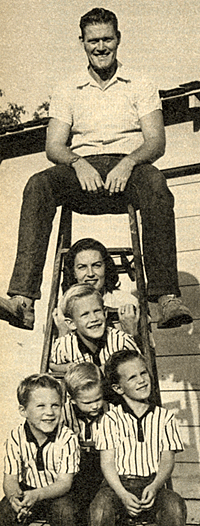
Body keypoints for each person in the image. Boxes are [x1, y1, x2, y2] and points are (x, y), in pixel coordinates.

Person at [0, 7, 192, 331]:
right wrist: (77, 162)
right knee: (37, 184)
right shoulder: (67, 88)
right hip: (81, 173)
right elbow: (54, 146)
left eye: (107, 39)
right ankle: (23, 300)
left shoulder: (140, 83)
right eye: (93, 41)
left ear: (118, 39)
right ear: (82, 42)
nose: (100, 47)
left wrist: (129, 161)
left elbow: (156, 142)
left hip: (129, 172)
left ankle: (166, 298)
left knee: (157, 184)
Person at [82, 350, 190, 526]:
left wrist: (154, 485)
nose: (142, 380)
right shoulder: (110, 419)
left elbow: (167, 459)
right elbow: (107, 463)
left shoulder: (164, 418)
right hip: (117, 485)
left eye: (144, 373)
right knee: (100, 507)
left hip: (152, 484)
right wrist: (121, 493)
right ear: (118, 388)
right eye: (132, 377)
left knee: (174, 503)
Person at [0, 373, 80, 526]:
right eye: (41, 406)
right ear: (23, 411)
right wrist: (15, 497)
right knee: (7, 508)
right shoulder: (15, 438)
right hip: (27, 493)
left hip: (57, 494)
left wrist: (36, 495)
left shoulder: (67, 438)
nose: (49, 412)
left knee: (65, 508)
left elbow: (65, 483)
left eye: (55, 405)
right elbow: (10, 479)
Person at [63, 362, 108, 526]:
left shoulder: (111, 412)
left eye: (98, 399)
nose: (94, 406)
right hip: (77, 466)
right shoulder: (64, 414)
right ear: (72, 400)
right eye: (87, 402)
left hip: (106, 465)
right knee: (79, 506)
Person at [53, 237, 140, 339]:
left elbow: (147, 353)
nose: (90, 274)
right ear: (74, 273)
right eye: (82, 267)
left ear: (105, 268)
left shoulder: (127, 301)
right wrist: (64, 334)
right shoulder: (64, 305)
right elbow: (59, 354)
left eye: (96, 266)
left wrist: (132, 332)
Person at [49, 284, 139, 374]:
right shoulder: (64, 345)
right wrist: (69, 367)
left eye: (97, 311)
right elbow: (52, 365)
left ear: (105, 313)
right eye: (85, 315)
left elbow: (139, 365)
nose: (94, 319)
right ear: (71, 323)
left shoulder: (122, 341)